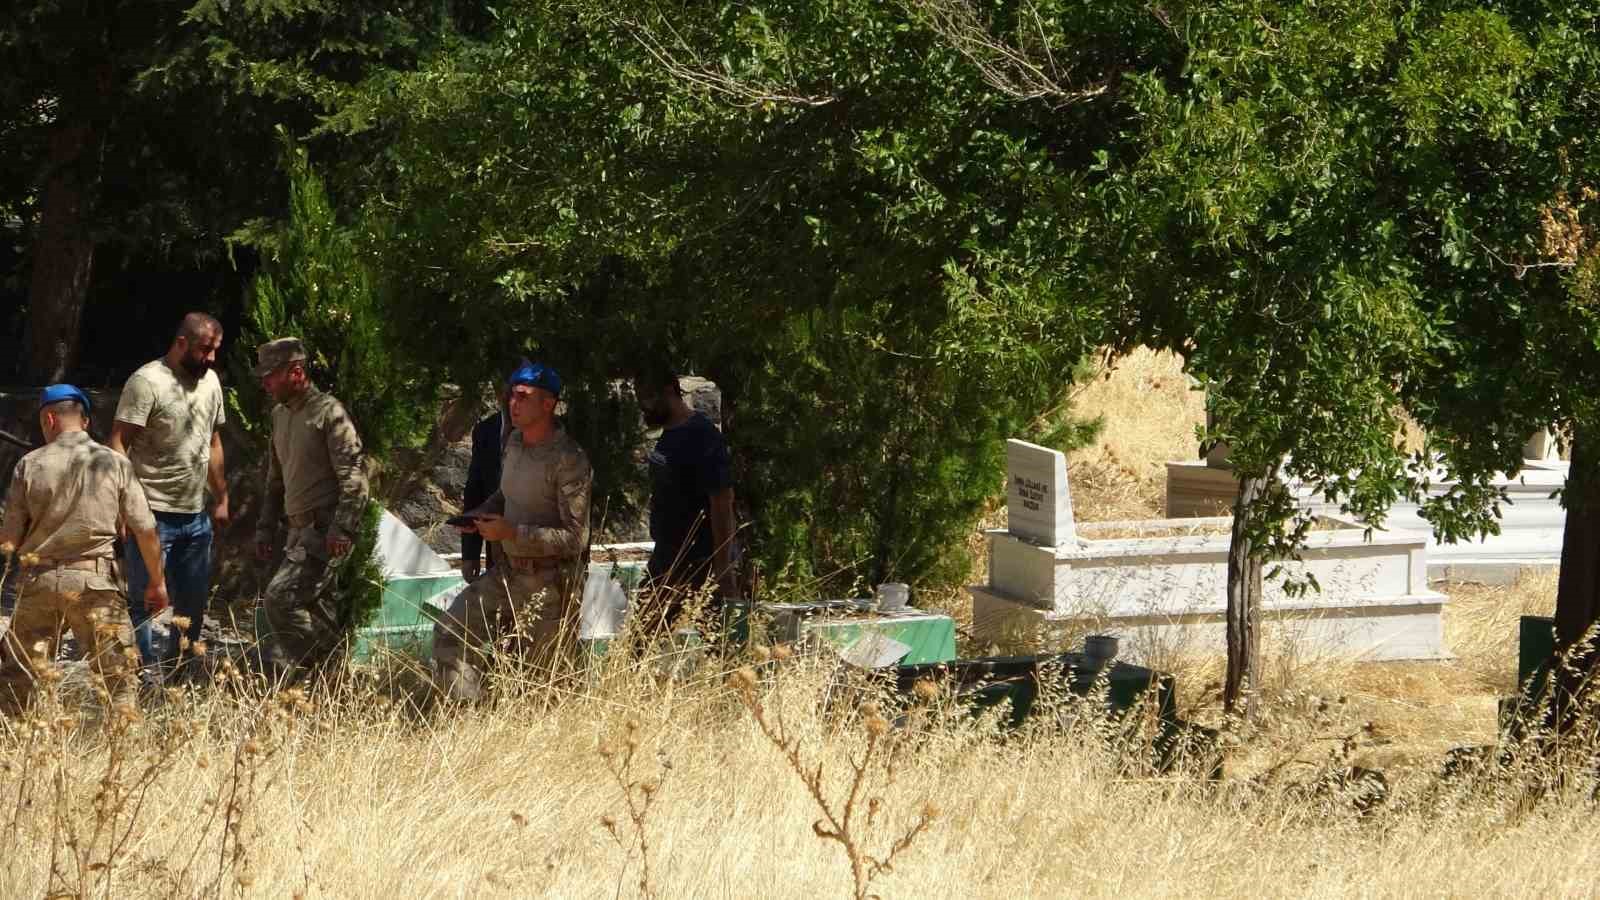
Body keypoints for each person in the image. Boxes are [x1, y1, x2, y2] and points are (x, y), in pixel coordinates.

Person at [0, 386, 170, 716]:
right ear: (86, 422)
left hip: (38, 583)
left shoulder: (29, 464)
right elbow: (145, 529)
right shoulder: (115, 463)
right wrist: (157, 582)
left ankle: (17, 755)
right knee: (119, 680)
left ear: (49, 418)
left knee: (18, 680)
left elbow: (9, 540)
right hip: (96, 585)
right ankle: (123, 755)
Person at [432, 361, 592, 702]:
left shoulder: (569, 459)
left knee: (544, 691)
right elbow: (506, 495)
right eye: (511, 397)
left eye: (522, 397)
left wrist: (511, 532)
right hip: (507, 575)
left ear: (547, 404)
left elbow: (576, 537)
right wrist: (479, 516)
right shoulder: (514, 444)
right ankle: (468, 725)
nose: (512, 404)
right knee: (450, 633)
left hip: (550, 587)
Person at [110, 312, 229, 682]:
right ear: (182, 342)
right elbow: (117, 443)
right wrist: (120, 507)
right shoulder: (147, 382)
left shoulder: (211, 382)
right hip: (151, 516)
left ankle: (182, 669)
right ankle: (143, 673)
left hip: (195, 517)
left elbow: (212, 441)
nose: (211, 358)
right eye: (205, 350)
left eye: (215, 351)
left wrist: (221, 496)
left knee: (192, 604)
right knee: (145, 602)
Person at [252, 337, 369, 684]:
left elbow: (354, 475)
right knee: (320, 612)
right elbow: (275, 479)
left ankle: (327, 668)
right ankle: (334, 690)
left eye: (271, 375)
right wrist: (264, 527)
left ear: (296, 372)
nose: (265, 383)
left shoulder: (328, 412)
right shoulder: (279, 415)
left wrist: (342, 528)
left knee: (280, 599)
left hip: (324, 531)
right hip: (295, 531)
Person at [631, 368, 741, 640]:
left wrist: (723, 566)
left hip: (699, 562)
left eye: (648, 397)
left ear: (669, 391)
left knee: (723, 651)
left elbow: (722, 501)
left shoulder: (701, 436)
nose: (643, 405)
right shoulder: (669, 435)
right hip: (667, 558)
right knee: (638, 647)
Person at [461, 397, 505, 582]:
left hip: (542, 558)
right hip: (496, 554)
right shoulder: (487, 430)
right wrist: (470, 553)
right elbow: (475, 492)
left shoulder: (552, 431)